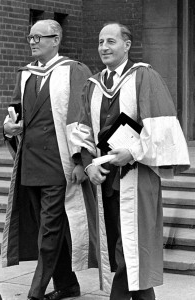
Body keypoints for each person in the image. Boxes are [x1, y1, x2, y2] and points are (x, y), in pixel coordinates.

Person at [70, 22, 190, 300]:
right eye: (100, 42)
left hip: (137, 178)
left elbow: (162, 128)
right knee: (120, 247)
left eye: (111, 41)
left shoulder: (144, 77)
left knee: (132, 245)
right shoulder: (93, 85)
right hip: (107, 182)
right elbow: (83, 129)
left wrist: (133, 152)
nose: (104, 47)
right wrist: (89, 164)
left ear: (127, 45)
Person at [1, 19, 97, 300]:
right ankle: (67, 284)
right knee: (48, 228)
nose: (33, 41)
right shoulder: (25, 75)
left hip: (59, 165)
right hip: (30, 166)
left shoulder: (73, 71)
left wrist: (81, 160)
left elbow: (83, 118)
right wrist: (7, 129)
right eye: (30, 37)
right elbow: (14, 114)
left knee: (50, 230)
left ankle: (36, 292)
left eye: (39, 37)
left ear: (56, 40)